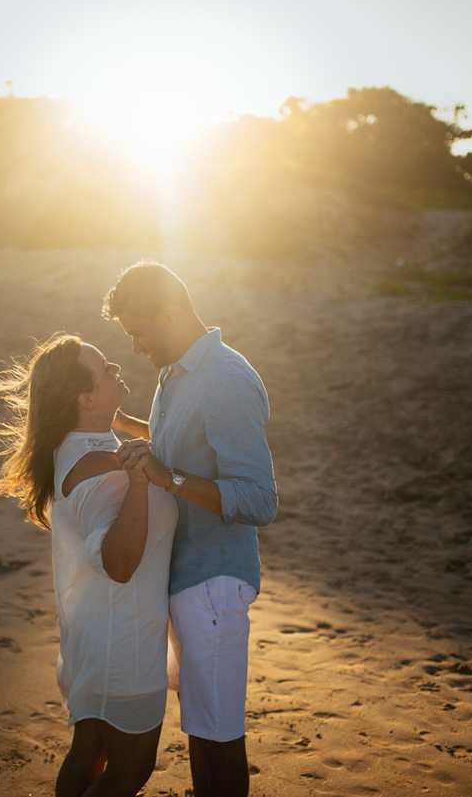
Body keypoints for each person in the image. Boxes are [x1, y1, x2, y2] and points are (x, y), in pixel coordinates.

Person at [0, 334, 178, 797]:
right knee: (130, 771)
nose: (116, 367)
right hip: (122, 643)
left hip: (98, 634)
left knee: (89, 754)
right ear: (85, 397)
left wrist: (125, 424)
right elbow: (118, 563)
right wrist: (140, 487)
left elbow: (145, 450)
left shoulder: (79, 445)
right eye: (105, 369)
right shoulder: (98, 464)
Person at [102, 261, 278, 797]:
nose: (135, 348)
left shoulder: (226, 378)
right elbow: (170, 443)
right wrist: (104, 419)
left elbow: (259, 499)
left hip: (216, 582)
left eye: (139, 332)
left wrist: (169, 476)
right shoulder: (174, 372)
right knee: (200, 730)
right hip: (185, 579)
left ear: (170, 313)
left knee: (219, 737)